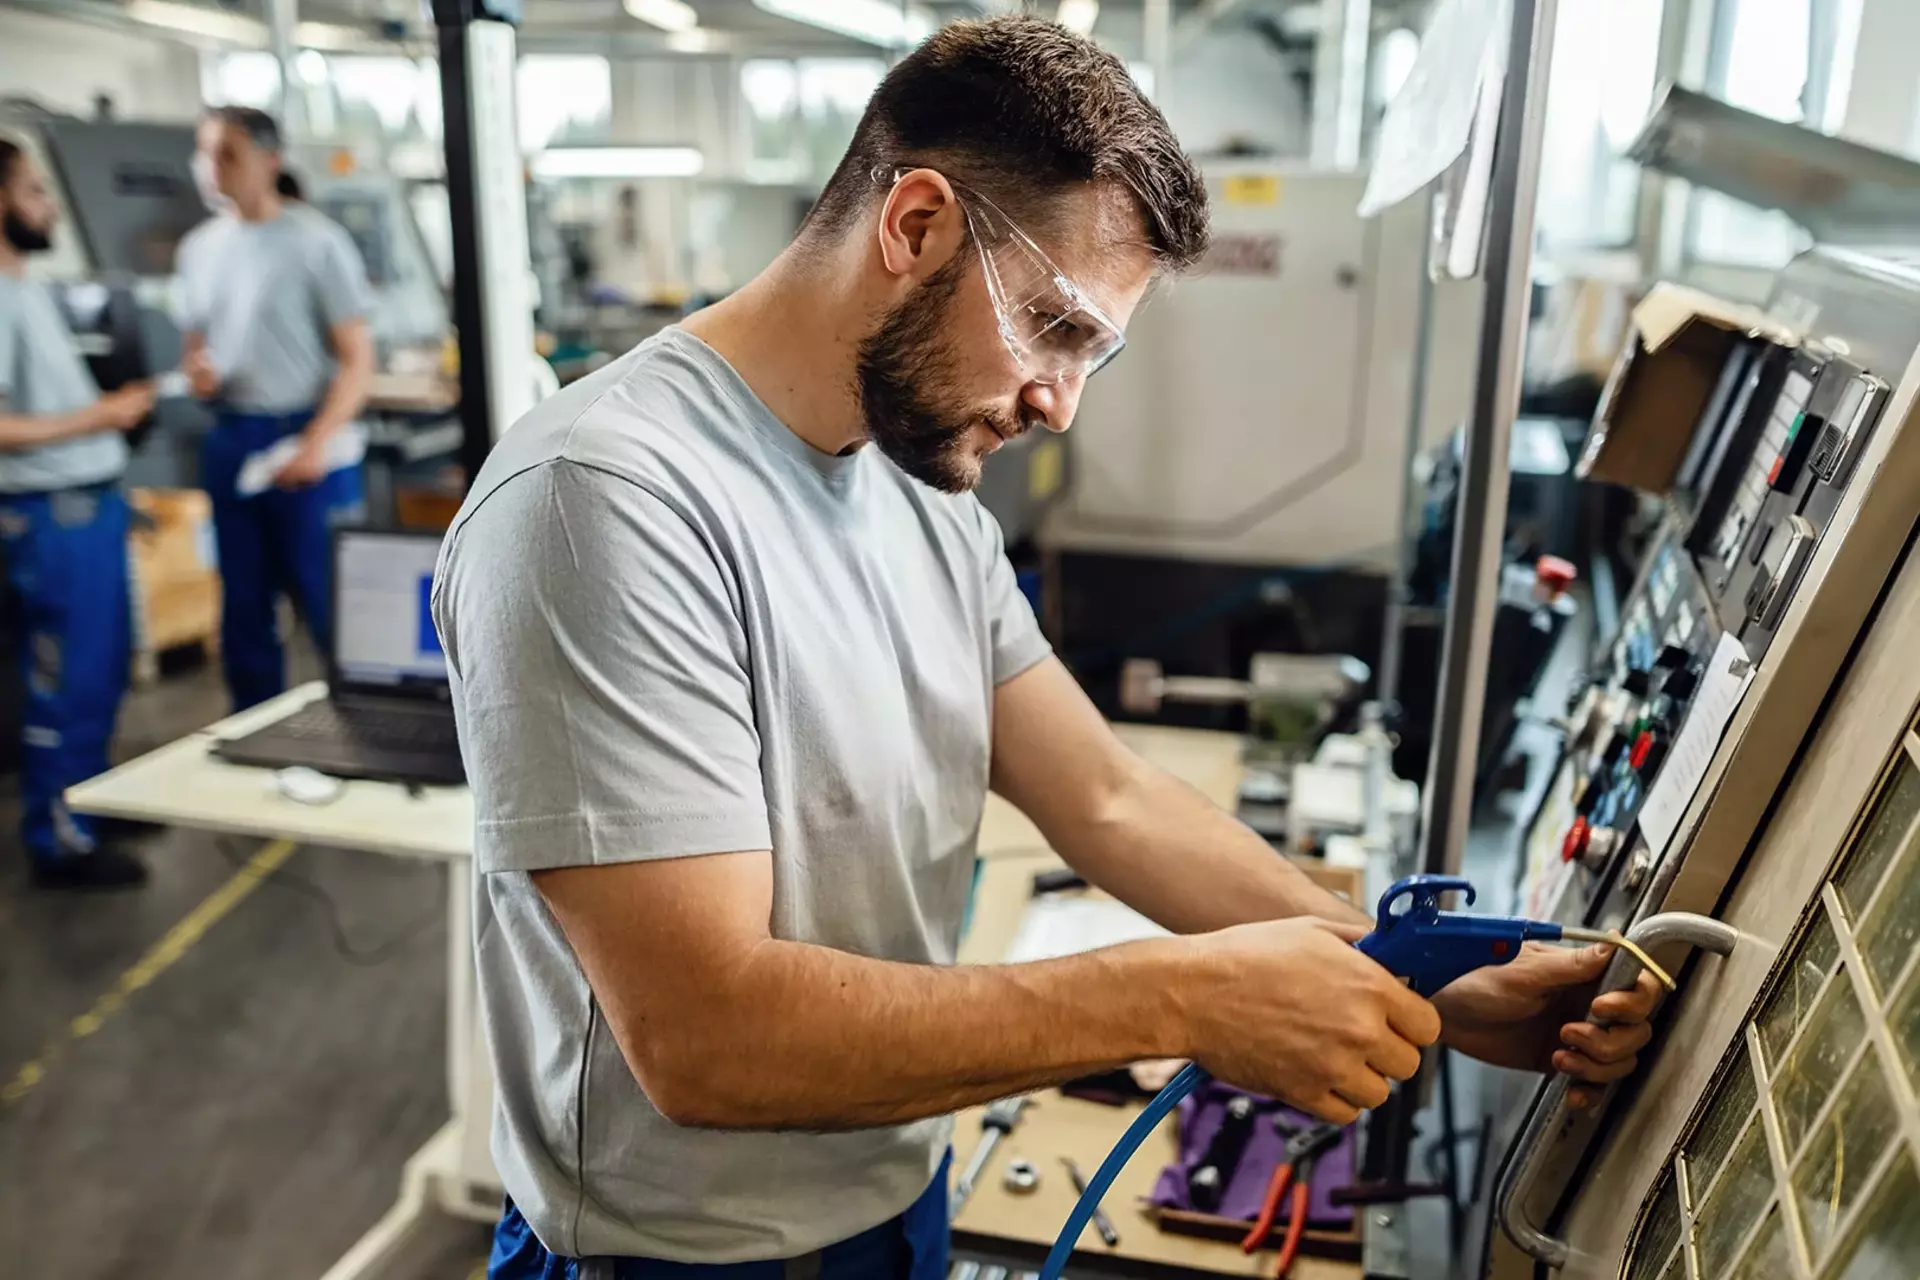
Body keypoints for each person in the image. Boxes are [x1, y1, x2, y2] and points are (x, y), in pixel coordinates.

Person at [433, 19, 1661, 1280]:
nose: (1061, 401)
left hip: (892, 1193)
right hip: (670, 1260)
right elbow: (706, 1037)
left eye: (1094, 351)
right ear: (913, 224)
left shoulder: (918, 477)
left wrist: (1429, 980)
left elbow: (1109, 798)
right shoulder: (602, 501)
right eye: (1053, 326)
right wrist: (1181, 996)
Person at [176, 106, 373, 710]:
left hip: (306, 438)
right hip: (233, 436)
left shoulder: (316, 243)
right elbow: (196, 350)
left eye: (228, 154)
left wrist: (315, 444)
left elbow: (357, 360)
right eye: (205, 153)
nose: (212, 168)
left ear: (270, 160)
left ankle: (369, 736)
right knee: (243, 608)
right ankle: (255, 733)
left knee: (332, 606)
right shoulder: (199, 249)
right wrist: (200, 373)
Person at [0, 138, 155, 888]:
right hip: (46, 516)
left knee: (97, 671)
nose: (49, 205)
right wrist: (99, 418)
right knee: (62, 679)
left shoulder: (25, 284)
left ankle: (88, 798)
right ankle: (58, 836)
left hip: (87, 506)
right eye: (34, 191)